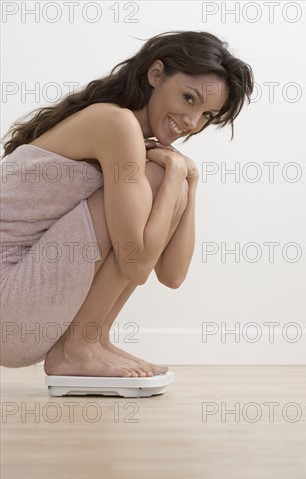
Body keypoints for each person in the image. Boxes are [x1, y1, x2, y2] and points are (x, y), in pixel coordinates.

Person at [0, 30, 254, 377]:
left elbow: (172, 275)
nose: (192, 123)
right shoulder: (116, 124)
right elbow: (136, 264)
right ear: (155, 74)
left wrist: (189, 184)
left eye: (207, 115)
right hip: (9, 303)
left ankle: (92, 339)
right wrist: (175, 172)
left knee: (164, 183)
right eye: (189, 98)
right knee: (159, 179)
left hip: (20, 311)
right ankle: (78, 348)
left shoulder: (133, 137)